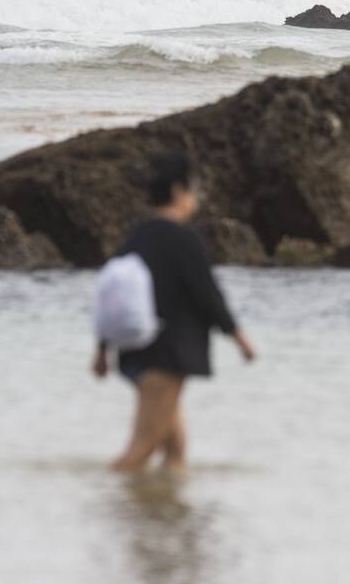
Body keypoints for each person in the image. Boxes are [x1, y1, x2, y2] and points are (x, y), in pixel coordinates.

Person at [92, 151, 256, 472]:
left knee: (176, 451)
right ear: (180, 191)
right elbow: (208, 295)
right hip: (167, 357)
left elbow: (112, 294)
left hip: (137, 354)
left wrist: (102, 350)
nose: (196, 199)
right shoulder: (184, 240)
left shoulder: (136, 237)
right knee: (142, 447)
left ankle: (163, 514)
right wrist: (240, 340)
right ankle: (108, 506)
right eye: (194, 190)